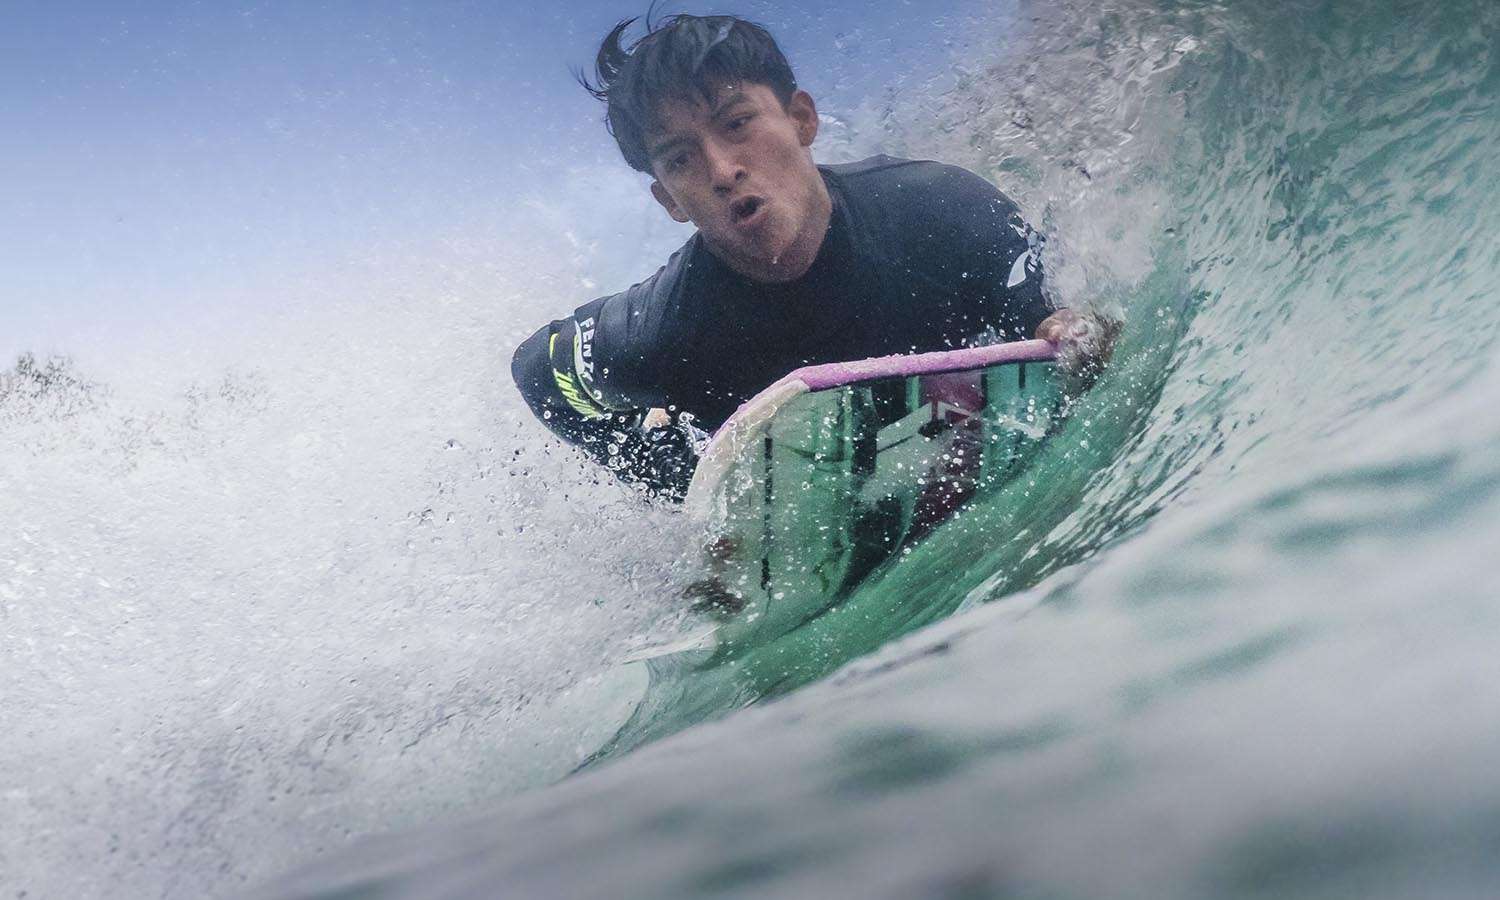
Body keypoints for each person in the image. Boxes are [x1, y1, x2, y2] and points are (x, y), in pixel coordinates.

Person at [512, 13, 1112, 499]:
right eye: (680, 160)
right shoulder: (663, 330)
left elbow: (1055, 328)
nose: (723, 170)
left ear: (801, 120)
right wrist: (682, 487)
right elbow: (539, 372)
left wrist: (1074, 336)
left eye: (738, 123)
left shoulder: (943, 213)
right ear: (668, 199)